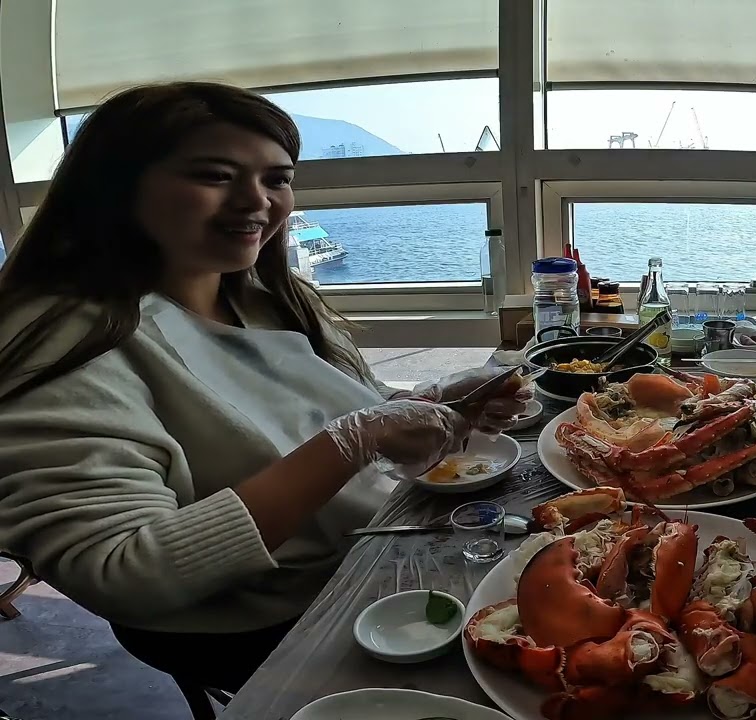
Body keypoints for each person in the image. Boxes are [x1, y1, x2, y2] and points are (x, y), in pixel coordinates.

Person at [0, 82, 526, 692]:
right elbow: (123, 570)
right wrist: (354, 441)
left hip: (363, 546)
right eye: (215, 175)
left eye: (277, 179)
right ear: (116, 186)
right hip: (255, 617)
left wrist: (437, 404)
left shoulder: (269, 294)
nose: (256, 202)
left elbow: (329, 416)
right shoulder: (59, 339)